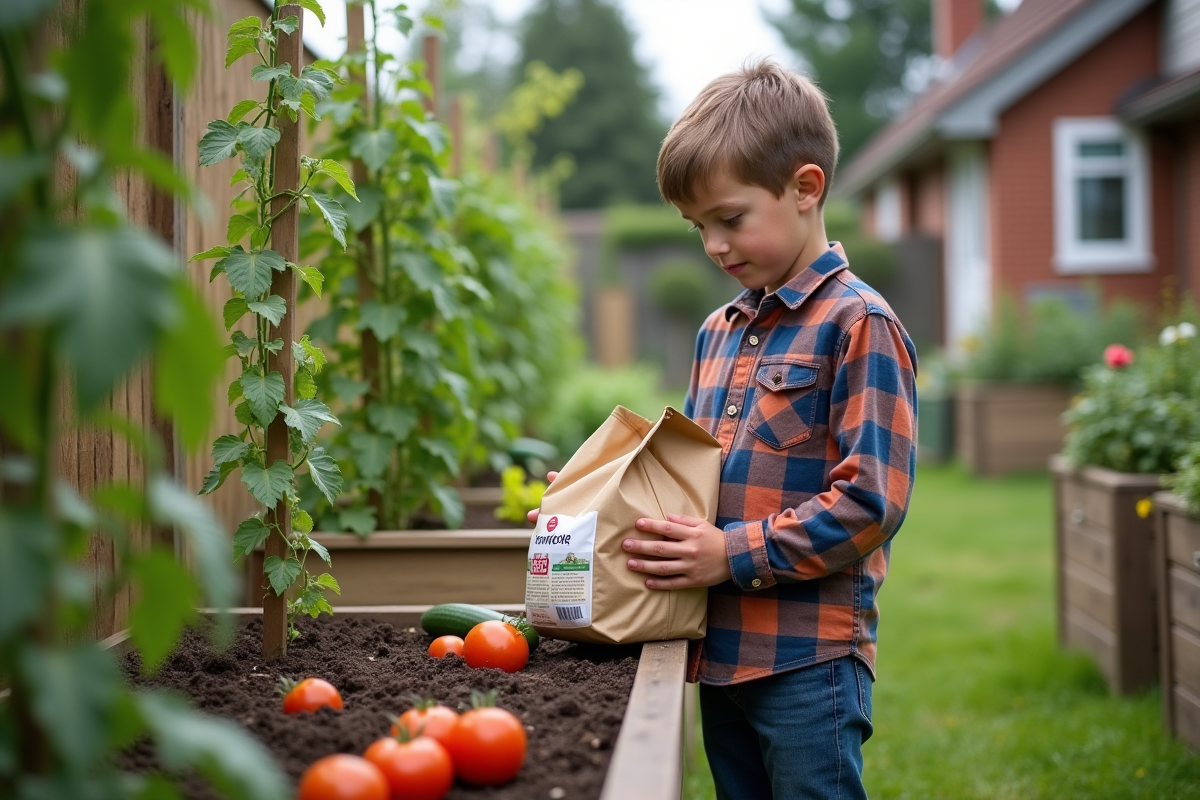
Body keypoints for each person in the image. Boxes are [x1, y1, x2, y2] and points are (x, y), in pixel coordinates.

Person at [532, 60, 917, 799]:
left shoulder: (858, 324)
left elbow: (873, 502)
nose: (713, 244)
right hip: (716, 653)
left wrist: (730, 554)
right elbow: (688, 482)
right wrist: (596, 507)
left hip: (807, 659)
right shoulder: (719, 330)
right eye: (698, 226)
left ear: (806, 188)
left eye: (730, 219)